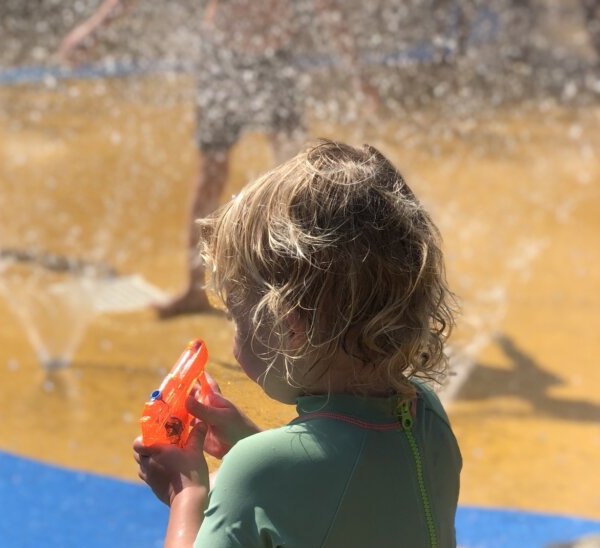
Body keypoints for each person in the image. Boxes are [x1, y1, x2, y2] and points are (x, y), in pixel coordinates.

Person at [27, 140, 462, 548]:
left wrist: (187, 492)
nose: (232, 337)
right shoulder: (425, 412)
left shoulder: (267, 470)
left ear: (291, 324)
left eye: (235, 314)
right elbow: (333, 504)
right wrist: (241, 443)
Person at [59, 0, 376, 317]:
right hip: (223, 57)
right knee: (210, 176)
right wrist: (93, 29)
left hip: (275, 58)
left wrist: (358, 73)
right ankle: (193, 287)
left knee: (294, 174)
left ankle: (297, 289)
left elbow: (328, 8)